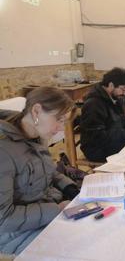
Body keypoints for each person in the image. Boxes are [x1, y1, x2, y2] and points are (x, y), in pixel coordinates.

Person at [0, 87, 79, 256]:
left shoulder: (35, 136)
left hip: (43, 213)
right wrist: (56, 209)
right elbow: (3, 219)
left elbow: (48, 170)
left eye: (63, 122)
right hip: (14, 234)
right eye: (58, 119)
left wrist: (69, 188)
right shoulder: (3, 151)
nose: (60, 128)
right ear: (36, 111)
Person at [80, 67, 125, 162]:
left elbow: (119, 118)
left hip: (111, 142)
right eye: (123, 89)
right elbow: (97, 137)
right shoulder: (93, 104)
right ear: (111, 85)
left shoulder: (113, 97)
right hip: (97, 149)